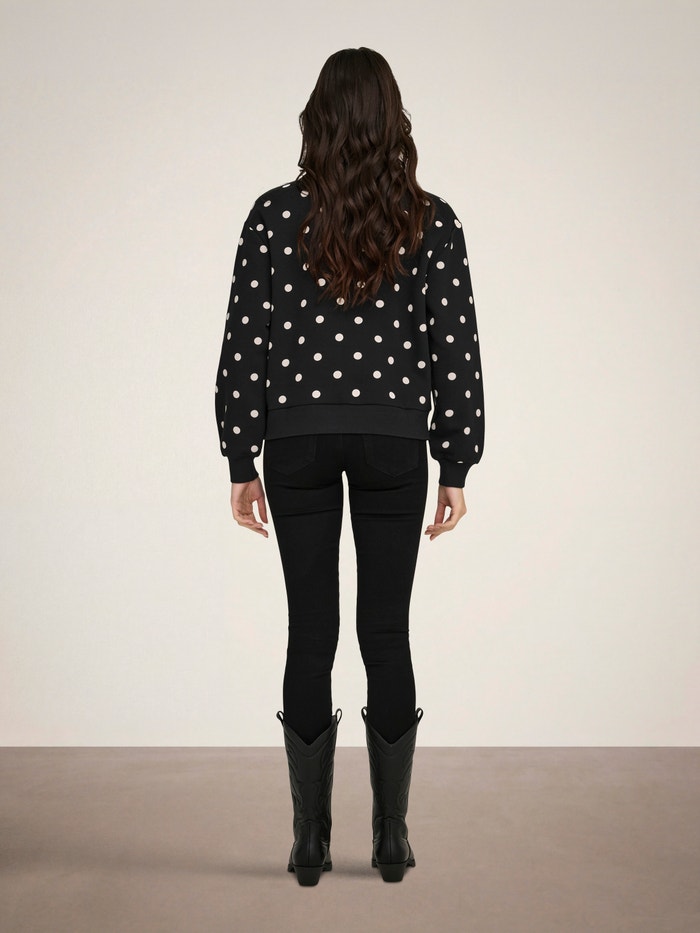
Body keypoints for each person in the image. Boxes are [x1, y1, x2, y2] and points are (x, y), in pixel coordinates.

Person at [214, 47, 485, 886]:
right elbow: (456, 346)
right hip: (393, 443)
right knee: (386, 631)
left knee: (311, 631)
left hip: (295, 441)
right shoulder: (431, 221)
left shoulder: (272, 215)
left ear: (318, 119)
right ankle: (391, 839)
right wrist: (456, 462)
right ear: (392, 120)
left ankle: (309, 842)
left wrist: (240, 453)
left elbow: (246, 339)